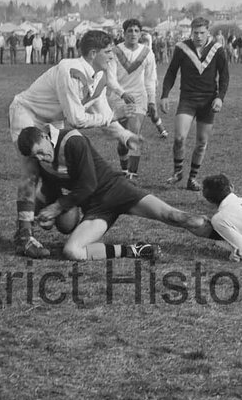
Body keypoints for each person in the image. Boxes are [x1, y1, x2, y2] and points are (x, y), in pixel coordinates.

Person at [8, 28, 142, 257]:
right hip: (28, 113)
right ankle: (24, 235)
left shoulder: (97, 74)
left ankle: (42, 214)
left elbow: (102, 112)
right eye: (108, 52)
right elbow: (77, 119)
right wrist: (113, 116)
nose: (112, 56)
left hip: (54, 119)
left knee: (55, 176)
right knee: (32, 171)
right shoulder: (70, 70)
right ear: (92, 53)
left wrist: (124, 135)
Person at [16, 125, 214, 261]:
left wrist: (58, 207)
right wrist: (47, 214)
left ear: (44, 136)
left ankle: (225, 233)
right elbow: (52, 188)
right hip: (96, 210)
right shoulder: (42, 161)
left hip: (117, 190)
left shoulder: (72, 140)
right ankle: (134, 251)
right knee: (72, 251)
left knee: (175, 216)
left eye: (41, 151)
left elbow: (88, 184)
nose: (42, 157)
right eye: (36, 156)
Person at [159, 16, 229, 191]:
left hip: (208, 102)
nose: (198, 36)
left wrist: (220, 97)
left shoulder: (217, 49)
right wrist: (165, 95)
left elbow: (225, 76)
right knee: (179, 138)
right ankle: (178, 172)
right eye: (195, 32)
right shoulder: (182, 48)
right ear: (191, 32)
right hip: (188, 99)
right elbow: (171, 73)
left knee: (201, 142)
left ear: (208, 32)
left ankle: (192, 179)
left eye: (202, 33)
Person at [110, 19, 160, 181]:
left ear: (140, 33)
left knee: (133, 132)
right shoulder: (115, 52)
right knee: (122, 142)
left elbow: (150, 79)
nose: (133, 34)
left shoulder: (147, 53)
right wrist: (122, 93)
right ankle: (125, 169)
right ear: (123, 33)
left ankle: (132, 175)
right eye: (129, 31)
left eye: (136, 31)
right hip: (118, 99)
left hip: (139, 98)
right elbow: (110, 78)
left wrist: (151, 100)